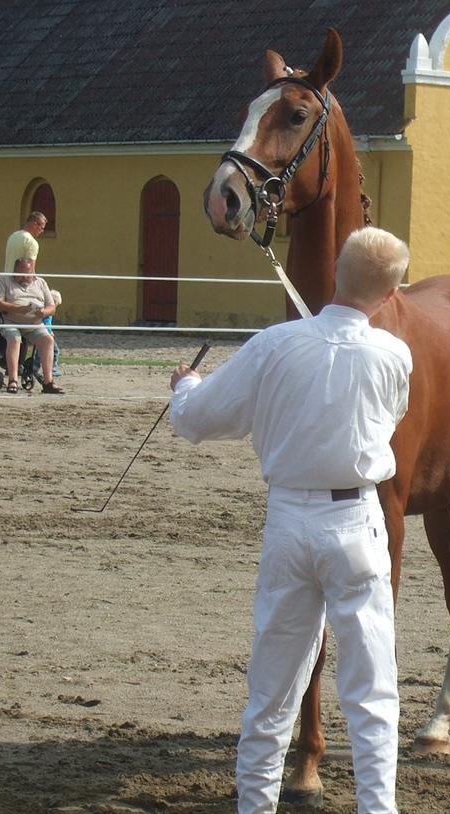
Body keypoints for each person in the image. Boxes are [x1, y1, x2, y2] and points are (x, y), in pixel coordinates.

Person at [169, 227, 412, 814]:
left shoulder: (273, 344)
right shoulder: (394, 354)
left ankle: (256, 806)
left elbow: (198, 420)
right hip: (355, 517)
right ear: (388, 295)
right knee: (371, 686)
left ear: (335, 274)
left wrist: (185, 386)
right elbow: (390, 416)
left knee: (273, 684)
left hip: (288, 520)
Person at [0, 257, 64, 394]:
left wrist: (43, 312)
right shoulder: (3, 281)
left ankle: (48, 382)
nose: (24, 277)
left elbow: (52, 308)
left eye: (27, 273)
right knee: (15, 339)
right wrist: (16, 308)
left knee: (48, 340)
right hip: (10, 321)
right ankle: (13, 380)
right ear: (14, 271)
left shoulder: (41, 283)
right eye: (21, 274)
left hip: (34, 323)